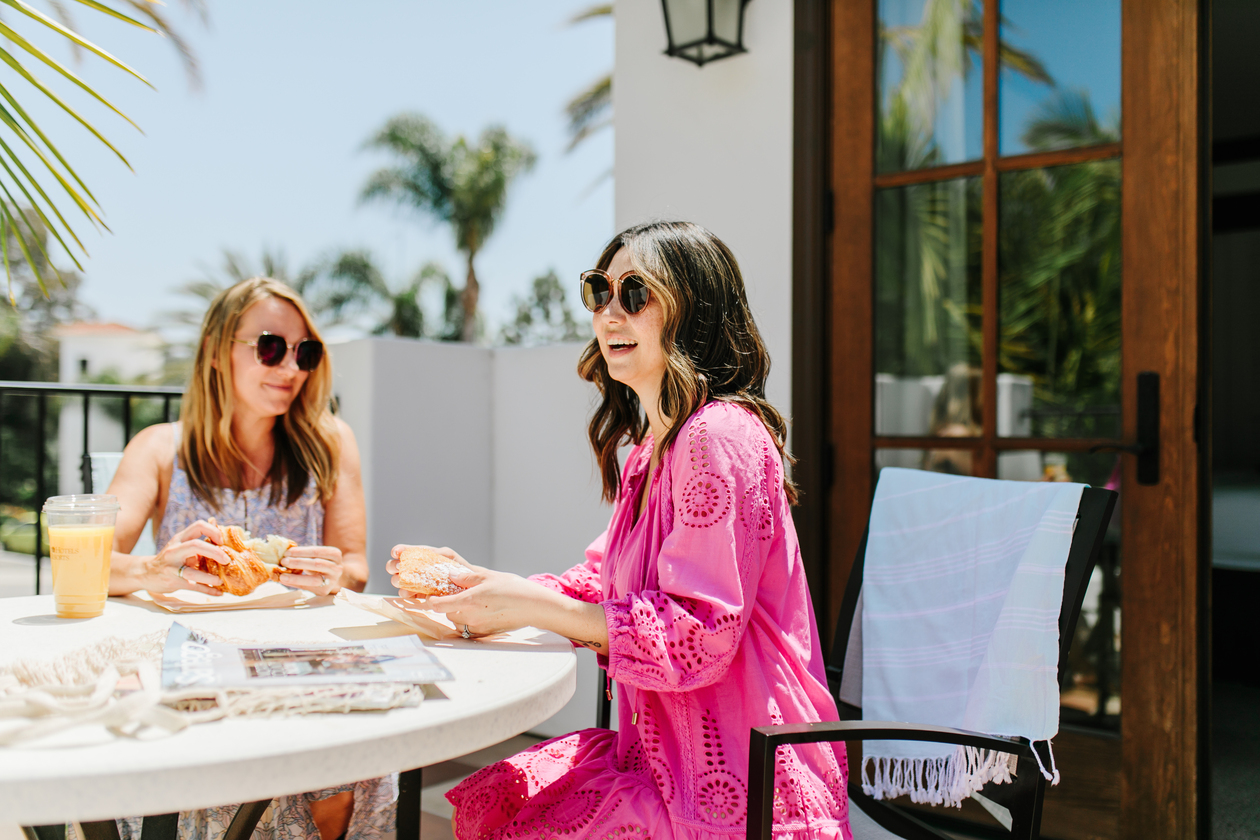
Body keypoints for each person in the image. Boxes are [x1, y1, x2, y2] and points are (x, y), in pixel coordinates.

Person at [389, 222, 851, 839]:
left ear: (696, 309)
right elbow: (598, 581)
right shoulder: (653, 450)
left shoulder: (719, 436)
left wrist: (528, 606)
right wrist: (481, 586)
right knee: (494, 800)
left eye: (635, 293)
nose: (609, 313)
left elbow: (698, 633)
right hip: (660, 761)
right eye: (598, 291)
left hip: (743, 783)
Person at [103, 277, 389, 840]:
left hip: (300, 656)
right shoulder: (159, 448)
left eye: (305, 352)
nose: (291, 368)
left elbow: (356, 565)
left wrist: (332, 576)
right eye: (270, 348)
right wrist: (153, 570)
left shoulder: (331, 442)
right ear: (216, 352)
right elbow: (90, 564)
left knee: (347, 777)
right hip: (189, 659)